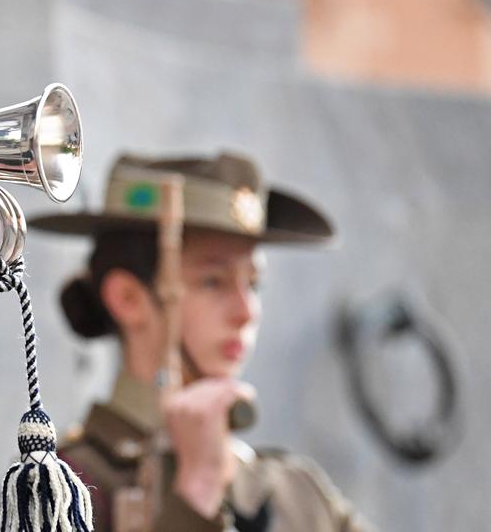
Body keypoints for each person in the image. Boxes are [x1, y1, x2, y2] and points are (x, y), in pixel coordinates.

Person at [29, 152, 372, 532]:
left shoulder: (299, 493)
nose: (246, 312)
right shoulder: (64, 487)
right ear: (128, 298)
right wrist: (196, 490)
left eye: (253, 284)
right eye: (213, 282)